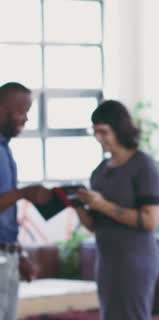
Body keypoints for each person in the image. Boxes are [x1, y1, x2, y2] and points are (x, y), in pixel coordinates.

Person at [75, 100, 159, 320]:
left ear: (119, 129)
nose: (98, 138)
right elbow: (95, 225)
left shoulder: (143, 165)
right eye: (95, 132)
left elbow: (150, 220)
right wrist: (76, 205)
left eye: (103, 131)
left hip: (135, 260)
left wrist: (102, 204)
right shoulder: (100, 171)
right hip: (106, 260)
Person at [0, 82, 53, 320]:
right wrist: (24, 193)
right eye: (22, 111)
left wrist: (17, 254)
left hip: (7, 254)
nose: (26, 119)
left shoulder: (5, 149)